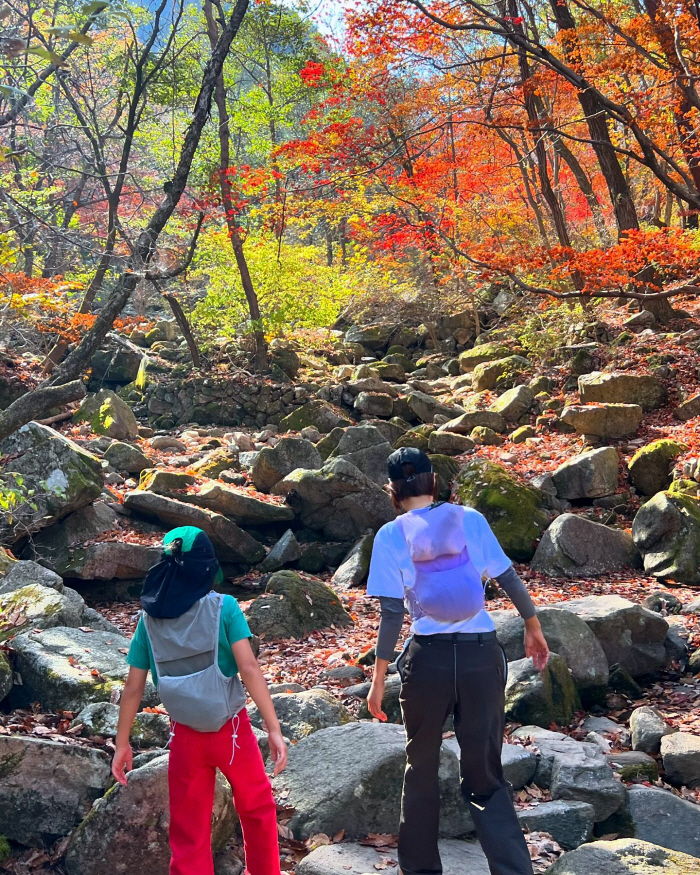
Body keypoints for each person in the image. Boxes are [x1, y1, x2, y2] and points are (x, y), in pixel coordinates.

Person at [366, 448, 549, 875]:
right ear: (433, 480)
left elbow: (393, 614)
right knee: (485, 770)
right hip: (480, 657)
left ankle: (420, 870)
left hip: (426, 662)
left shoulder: (390, 536)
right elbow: (507, 577)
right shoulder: (470, 519)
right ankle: (513, 871)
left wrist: (378, 679)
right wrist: (532, 626)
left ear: (393, 490)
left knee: (422, 768)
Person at [112, 525, 287, 875]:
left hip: (184, 737)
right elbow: (249, 668)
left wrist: (122, 743)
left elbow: (133, 688)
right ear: (207, 567)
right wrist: (273, 728)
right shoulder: (224, 608)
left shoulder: (148, 622)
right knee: (256, 809)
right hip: (232, 733)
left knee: (189, 828)